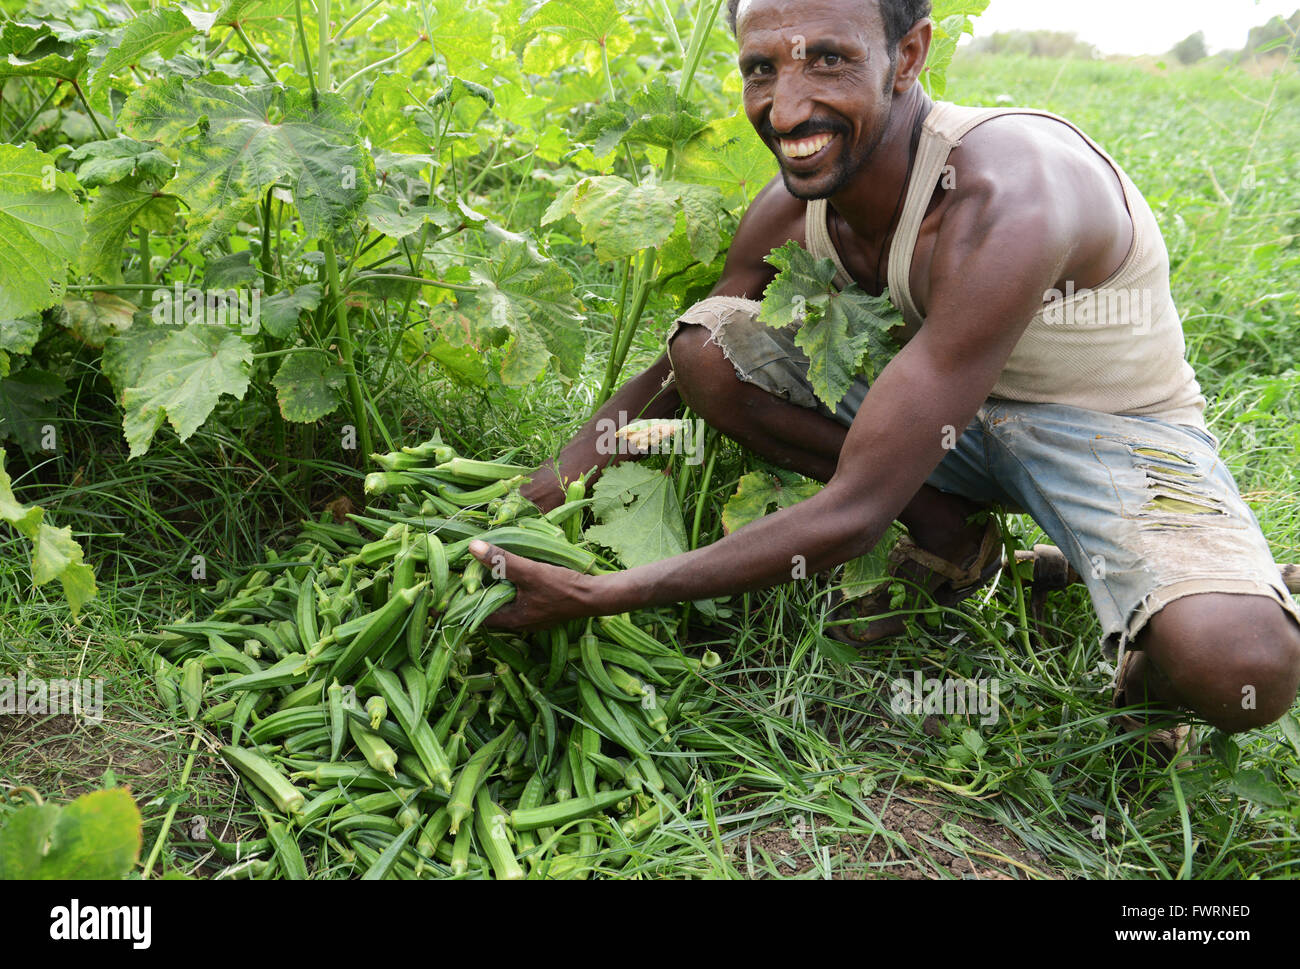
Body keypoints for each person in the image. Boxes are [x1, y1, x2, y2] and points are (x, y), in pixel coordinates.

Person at [467, 0, 1300, 742]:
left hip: (1112, 431)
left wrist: (596, 594)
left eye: (828, 58)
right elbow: (674, 371)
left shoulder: (1005, 193)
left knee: (1239, 666)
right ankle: (953, 537)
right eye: (763, 68)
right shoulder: (797, 203)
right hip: (939, 417)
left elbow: (854, 512)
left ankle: (1170, 636)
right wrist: (541, 489)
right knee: (707, 346)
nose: (786, 107)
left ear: (908, 57)